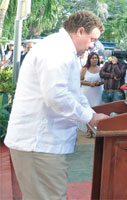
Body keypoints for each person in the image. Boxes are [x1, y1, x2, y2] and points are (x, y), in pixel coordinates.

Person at [4, 11, 108, 199]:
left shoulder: (66, 51)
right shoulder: (57, 50)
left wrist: (93, 116)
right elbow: (56, 96)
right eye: (92, 39)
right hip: (39, 144)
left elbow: (75, 94)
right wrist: (91, 117)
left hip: (45, 144)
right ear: (80, 31)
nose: (92, 46)